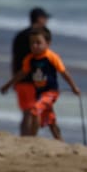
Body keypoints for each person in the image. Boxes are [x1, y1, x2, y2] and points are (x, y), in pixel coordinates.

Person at [1, 27, 80, 141]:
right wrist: (8, 85)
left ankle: (32, 139)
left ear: (48, 43)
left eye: (38, 43)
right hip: (39, 93)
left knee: (34, 110)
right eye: (32, 43)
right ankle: (60, 140)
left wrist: (74, 87)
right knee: (50, 119)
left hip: (51, 93)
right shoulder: (30, 59)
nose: (34, 46)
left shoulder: (51, 57)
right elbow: (22, 74)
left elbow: (64, 73)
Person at [11, 8, 51, 136]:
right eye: (45, 18)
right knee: (32, 113)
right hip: (33, 80)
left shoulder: (19, 35)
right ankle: (30, 138)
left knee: (26, 112)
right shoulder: (38, 38)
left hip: (19, 80)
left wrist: (14, 79)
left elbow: (14, 60)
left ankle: (24, 136)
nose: (46, 22)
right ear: (39, 19)